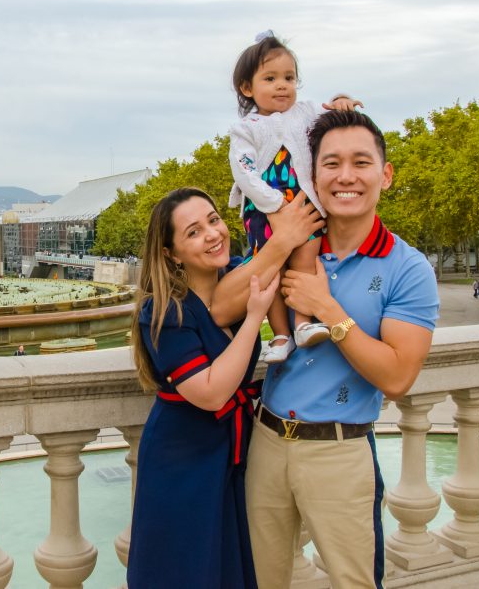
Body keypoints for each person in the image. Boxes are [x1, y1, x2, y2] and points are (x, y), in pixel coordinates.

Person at [212, 110, 439, 588]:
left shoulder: (407, 267)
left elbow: (398, 378)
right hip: (268, 443)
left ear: (386, 174)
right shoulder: (281, 242)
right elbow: (219, 307)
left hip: (340, 450)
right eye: (331, 164)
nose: (346, 176)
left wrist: (327, 309)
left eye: (361, 162)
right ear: (311, 174)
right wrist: (283, 243)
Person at [126, 187, 321, 589]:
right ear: (171, 253)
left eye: (214, 220)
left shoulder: (237, 275)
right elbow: (212, 392)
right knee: (186, 570)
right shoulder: (163, 310)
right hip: (182, 460)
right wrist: (253, 320)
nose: (213, 234)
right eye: (193, 232)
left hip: (233, 456)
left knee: (230, 568)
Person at [228, 31, 362, 364]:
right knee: (271, 270)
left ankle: (302, 325)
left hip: (306, 206)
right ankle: (280, 335)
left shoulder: (305, 111)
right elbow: (244, 172)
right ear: (248, 88)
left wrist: (342, 99)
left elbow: (332, 112)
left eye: (289, 78)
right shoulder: (246, 128)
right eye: (270, 78)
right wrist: (274, 206)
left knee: (303, 265)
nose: (282, 85)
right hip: (266, 209)